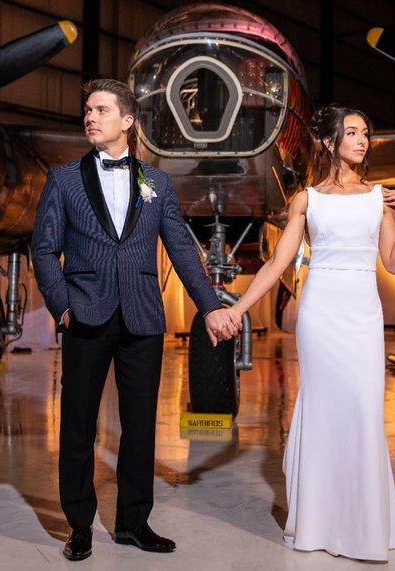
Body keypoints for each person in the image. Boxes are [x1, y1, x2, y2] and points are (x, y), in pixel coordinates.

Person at [32, 78, 241, 562]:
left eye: (101, 110)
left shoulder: (157, 183)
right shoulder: (63, 179)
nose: (90, 117)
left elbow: (182, 249)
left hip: (142, 317)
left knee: (141, 426)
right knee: (78, 426)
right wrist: (63, 305)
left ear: (126, 120)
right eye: (87, 110)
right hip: (85, 313)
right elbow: (44, 249)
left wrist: (209, 305)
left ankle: (132, 523)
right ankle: (80, 525)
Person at [227, 104, 395, 561]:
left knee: (363, 410)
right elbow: (276, 265)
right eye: (351, 132)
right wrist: (237, 309)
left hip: (362, 314)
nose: (362, 140)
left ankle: (363, 527)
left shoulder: (379, 198)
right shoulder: (307, 199)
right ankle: (317, 524)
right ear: (330, 142)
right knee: (321, 410)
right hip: (320, 313)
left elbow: (394, 263)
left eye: (365, 132)